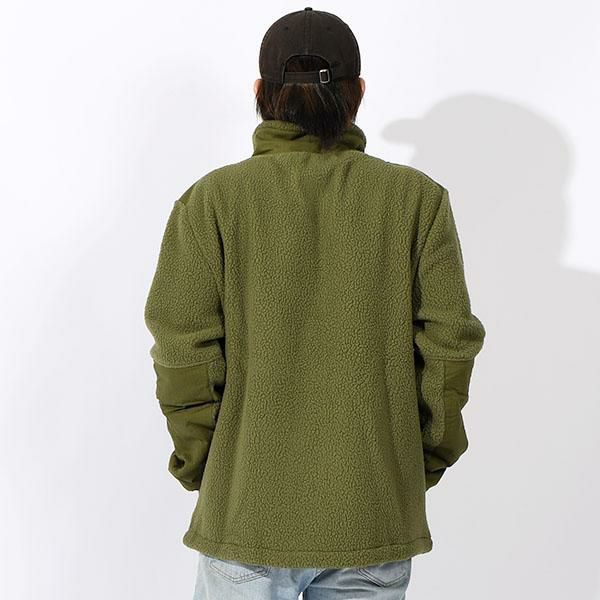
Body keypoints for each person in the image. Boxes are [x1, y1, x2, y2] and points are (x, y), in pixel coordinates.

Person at [143, 7, 486, 599]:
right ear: (358, 93)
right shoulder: (417, 200)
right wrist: (413, 463)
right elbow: (449, 349)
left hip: (247, 514)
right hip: (373, 511)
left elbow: (183, 355)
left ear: (261, 92)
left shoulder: (211, 201)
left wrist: (209, 468)